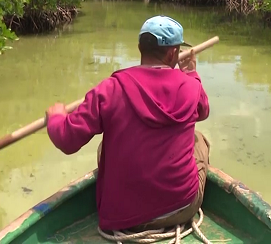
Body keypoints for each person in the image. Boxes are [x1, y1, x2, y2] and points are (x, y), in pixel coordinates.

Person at [44, 15, 211, 232]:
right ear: (173, 53)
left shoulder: (110, 88)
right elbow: (203, 110)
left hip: (121, 217)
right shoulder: (190, 87)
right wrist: (191, 73)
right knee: (200, 141)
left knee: (105, 147)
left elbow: (67, 140)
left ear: (140, 47)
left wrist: (56, 117)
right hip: (180, 207)